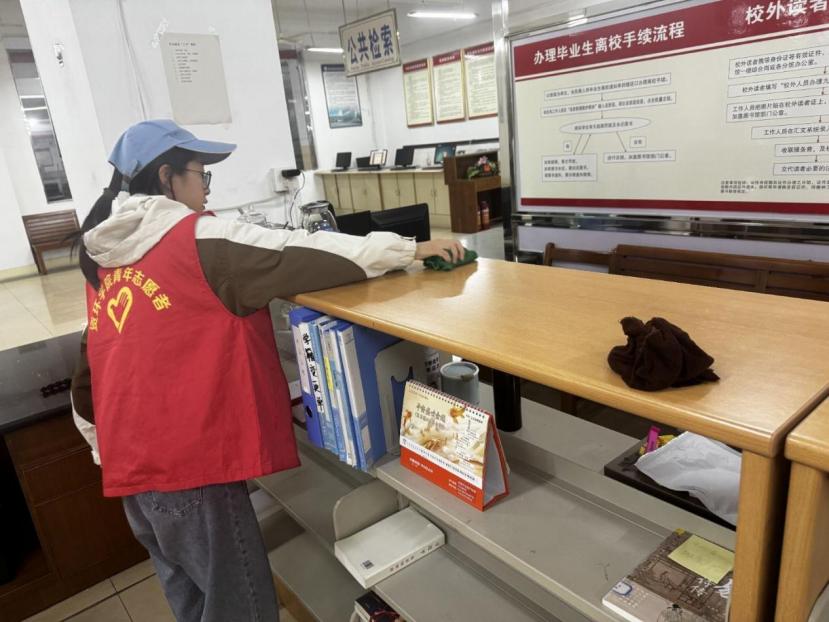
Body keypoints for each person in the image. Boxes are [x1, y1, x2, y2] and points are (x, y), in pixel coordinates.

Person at [70, 119, 466, 622]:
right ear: (168, 177)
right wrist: (408, 249)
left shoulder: (102, 256)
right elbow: (301, 251)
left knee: (194, 604)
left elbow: (87, 381)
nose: (206, 188)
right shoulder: (200, 239)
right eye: (201, 174)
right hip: (193, 475)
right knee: (244, 610)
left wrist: (104, 450)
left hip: (133, 479)